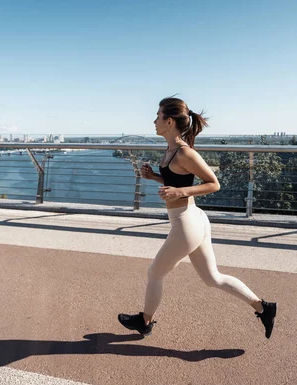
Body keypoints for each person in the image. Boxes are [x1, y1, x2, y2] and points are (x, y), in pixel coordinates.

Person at [118, 97, 277, 339]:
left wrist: (181, 192)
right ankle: (263, 307)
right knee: (213, 278)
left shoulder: (184, 152)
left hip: (187, 223)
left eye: (158, 116)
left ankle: (145, 321)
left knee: (155, 273)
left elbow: (214, 184)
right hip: (191, 220)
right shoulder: (171, 150)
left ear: (169, 121)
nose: (154, 120)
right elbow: (178, 181)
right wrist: (155, 178)